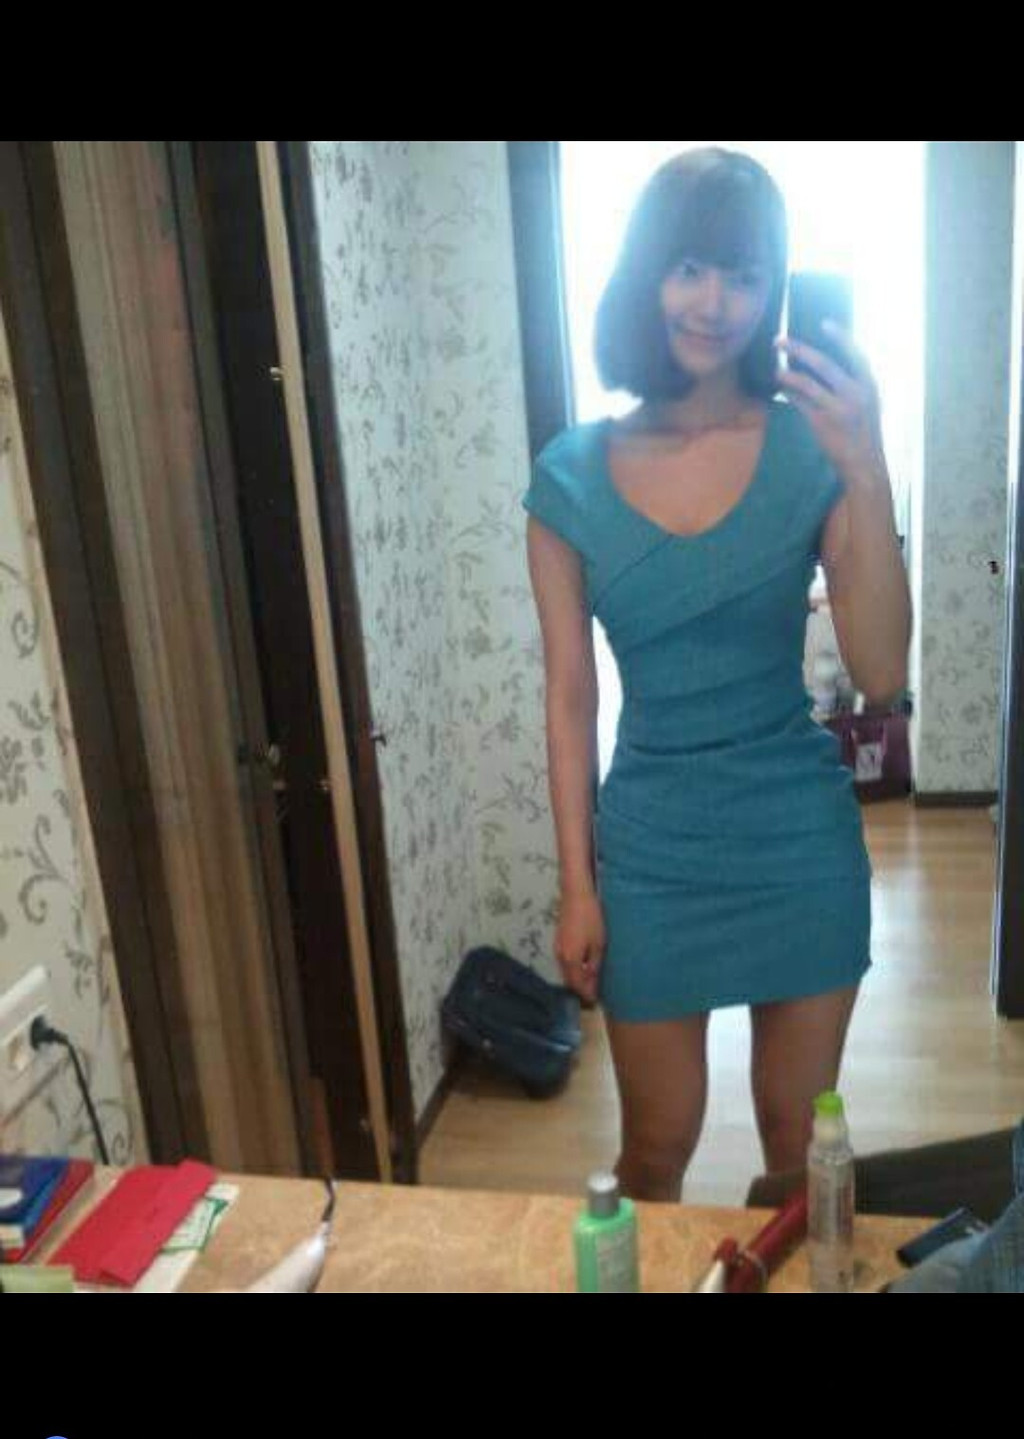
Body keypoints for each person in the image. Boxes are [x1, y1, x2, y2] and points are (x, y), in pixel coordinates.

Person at [522, 147, 912, 1202]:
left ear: (771, 286)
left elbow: (880, 670)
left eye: (744, 274)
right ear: (645, 276)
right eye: (689, 267)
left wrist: (867, 461)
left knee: (797, 1147)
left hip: (798, 840)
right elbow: (569, 699)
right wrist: (577, 885)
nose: (714, 301)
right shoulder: (567, 478)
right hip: (652, 851)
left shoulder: (813, 450)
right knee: (656, 1147)